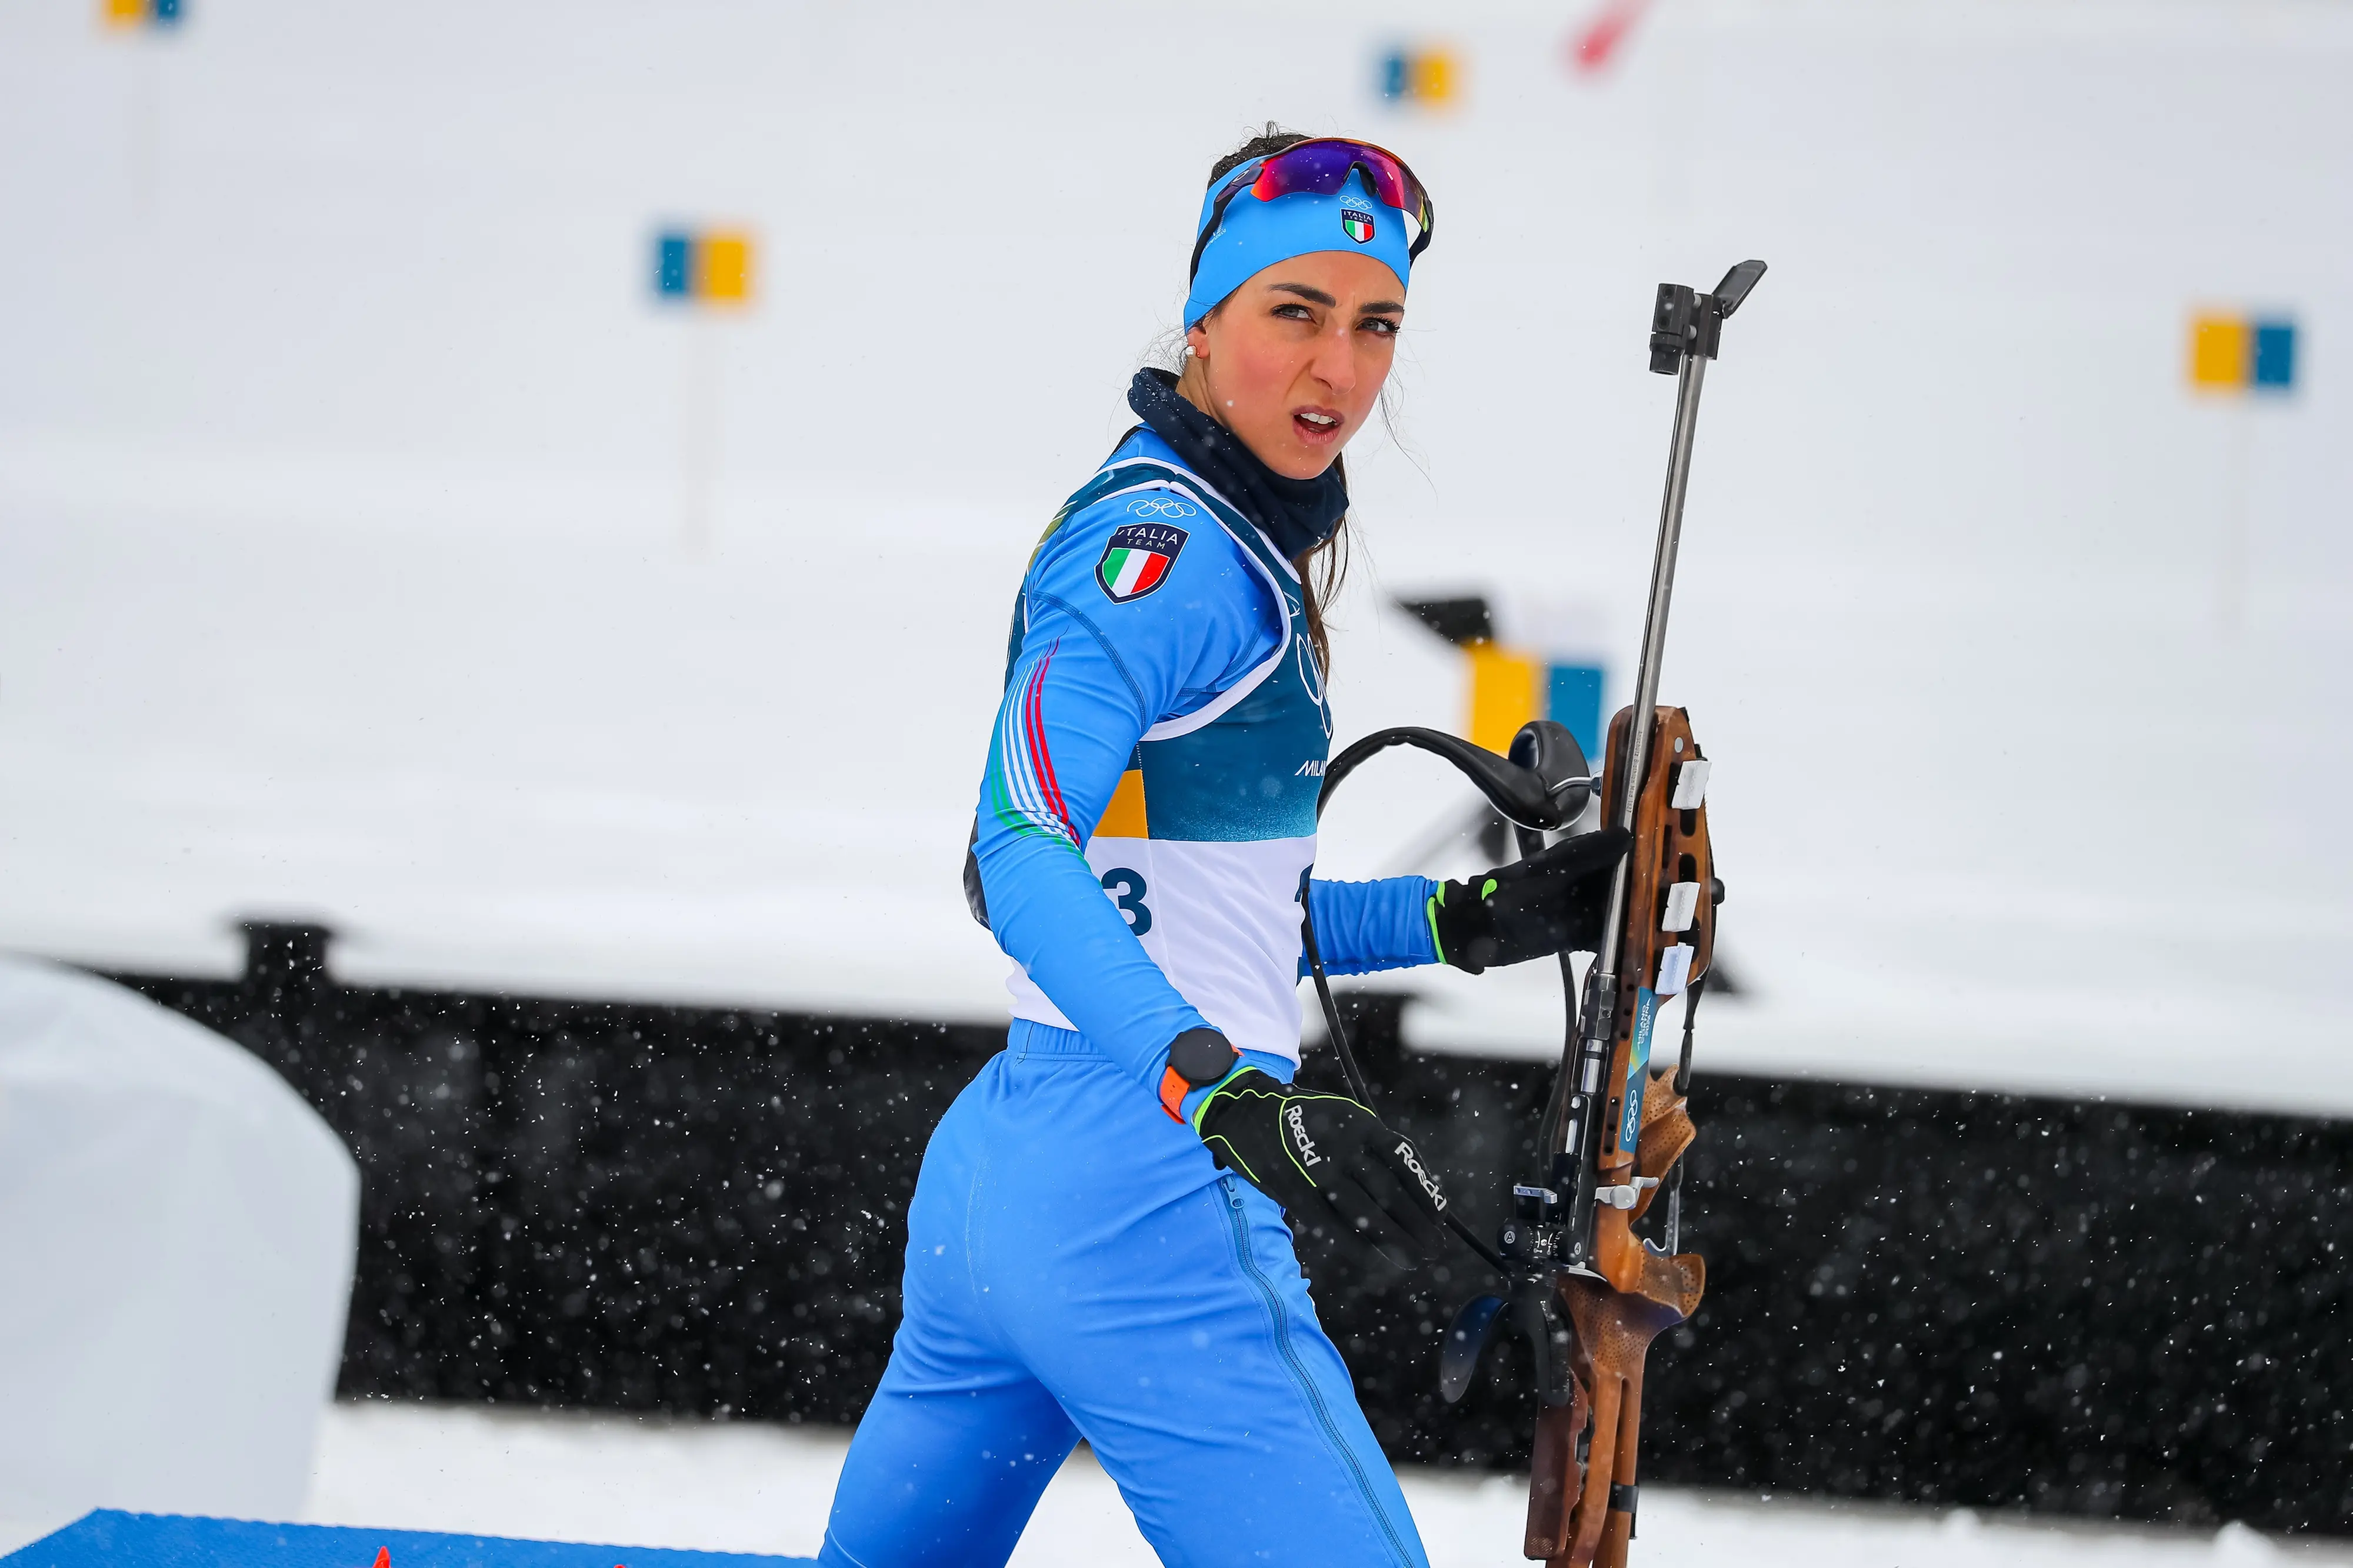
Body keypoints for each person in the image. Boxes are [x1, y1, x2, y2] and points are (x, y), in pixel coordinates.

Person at [819, 128, 1625, 1568]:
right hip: (1141, 1196)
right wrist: (1218, 1095)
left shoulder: (1210, 538)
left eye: (1375, 326)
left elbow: (1191, 907)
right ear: (1203, 321)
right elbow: (1014, 848)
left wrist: (1461, 921)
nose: (1338, 372)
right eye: (1293, 314)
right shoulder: (1172, 557)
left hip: (1006, 1184)